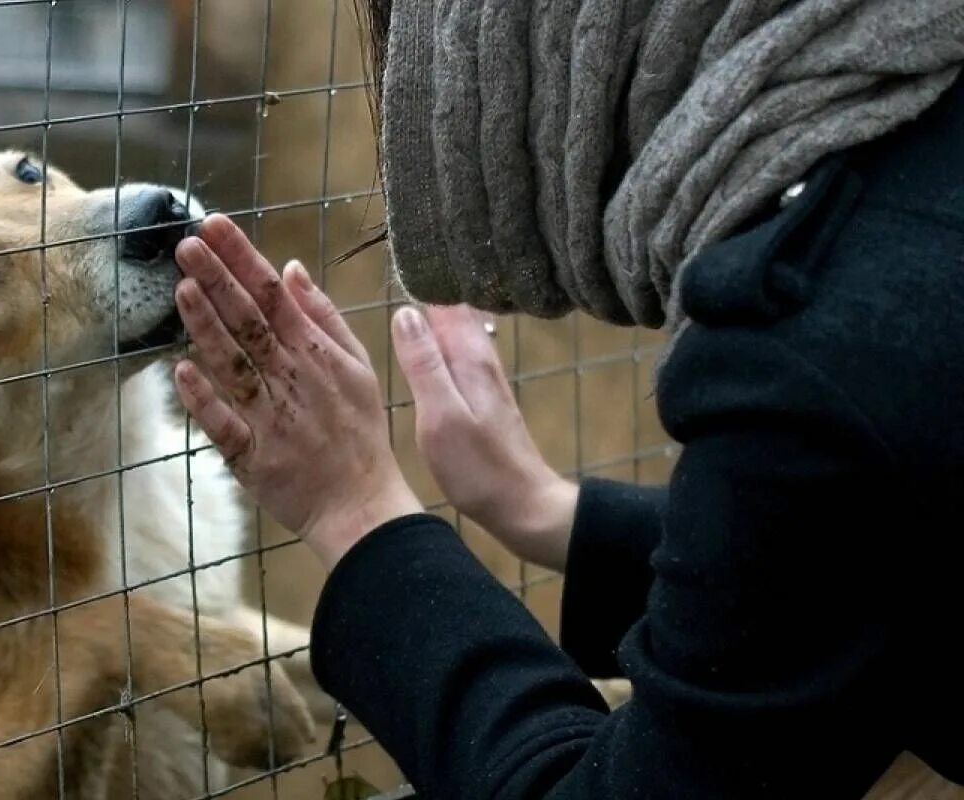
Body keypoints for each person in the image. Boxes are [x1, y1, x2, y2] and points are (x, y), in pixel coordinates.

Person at [169, 1, 964, 797]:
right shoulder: (908, 188)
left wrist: (355, 512)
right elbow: (844, 561)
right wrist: (548, 511)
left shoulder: (816, 338)